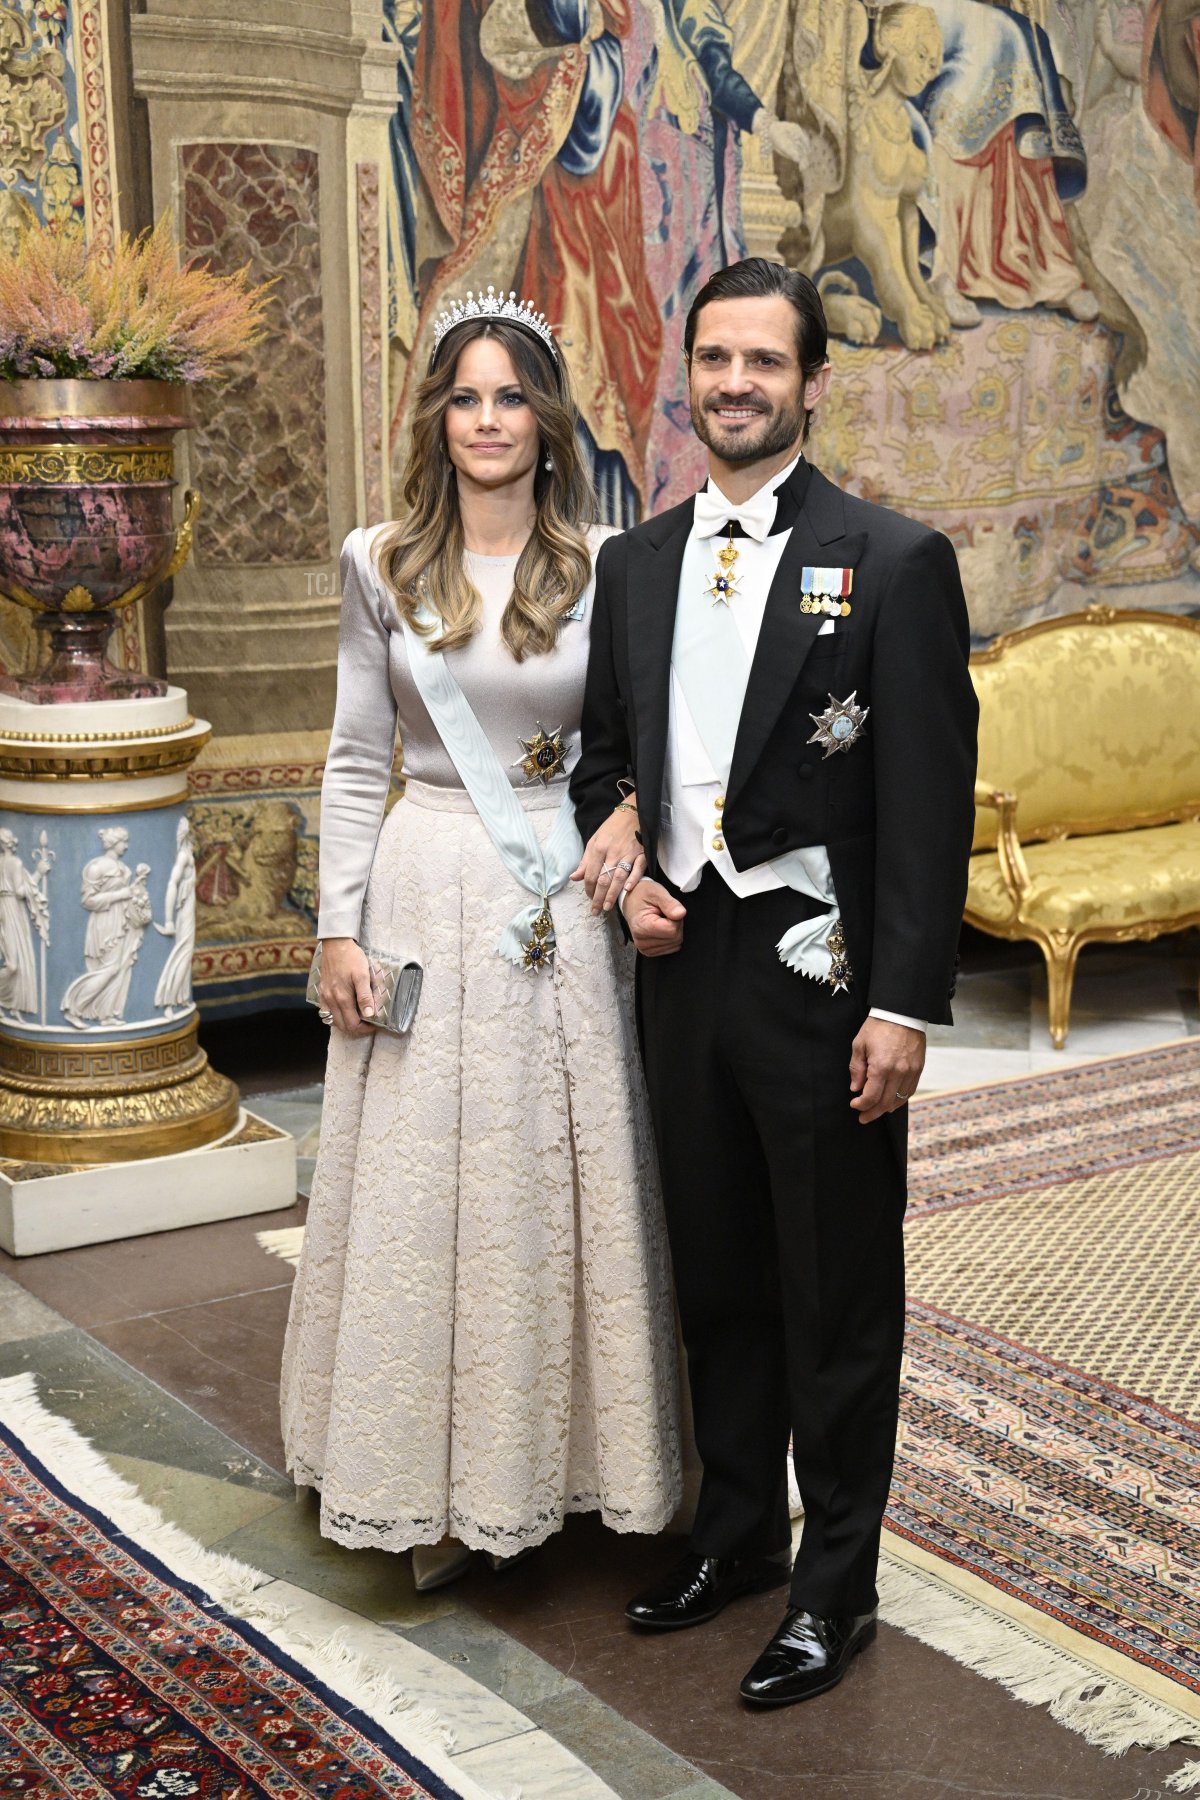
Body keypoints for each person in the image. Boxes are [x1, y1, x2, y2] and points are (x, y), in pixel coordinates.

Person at [571, 257, 977, 1705]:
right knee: (720, 1271)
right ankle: (736, 1534)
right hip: (685, 969)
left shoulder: (892, 558)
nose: (734, 383)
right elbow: (603, 758)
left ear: (812, 381)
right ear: (686, 376)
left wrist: (906, 1004)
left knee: (837, 1291)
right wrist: (623, 865)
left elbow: (930, 803)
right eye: (713, 359)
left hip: (824, 974)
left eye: (763, 361)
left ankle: (834, 1588)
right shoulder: (633, 563)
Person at [280, 291, 681, 1592]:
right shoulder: (378, 558)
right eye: (467, 396)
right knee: (421, 1187)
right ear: (439, 417)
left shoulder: (611, 564)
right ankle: (425, 1483)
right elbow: (353, 758)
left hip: (555, 899)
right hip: (420, 884)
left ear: (548, 420)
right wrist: (336, 930)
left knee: (552, 1181)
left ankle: (566, 1466)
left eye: (513, 396)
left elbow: (643, 747)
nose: (489, 420)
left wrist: (621, 819)